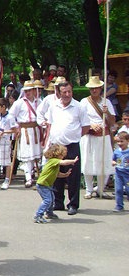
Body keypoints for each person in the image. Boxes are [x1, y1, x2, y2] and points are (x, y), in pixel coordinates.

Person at [46, 81, 90, 215]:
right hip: (56, 147)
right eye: (64, 92)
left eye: (69, 91)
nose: (67, 94)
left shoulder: (79, 107)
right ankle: (58, 202)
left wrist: (74, 136)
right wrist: (47, 143)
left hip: (71, 146)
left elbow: (86, 127)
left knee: (73, 176)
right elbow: (49, 125)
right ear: (58, 93)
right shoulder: (53, 106)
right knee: (57, 175)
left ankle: (73, 204)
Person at [79, 76, 116, 199]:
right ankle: (89, 189)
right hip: (89, 136)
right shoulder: (84, 102)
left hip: (103, 137)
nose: (94, 91)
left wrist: (107, 113)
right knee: (87, 162)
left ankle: (100, 189)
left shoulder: (107, 102)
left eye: (96, 88)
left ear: (100, 88)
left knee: (104, 162)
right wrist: (91, 125)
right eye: (91, 88)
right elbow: (79, 118)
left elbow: (112, 121)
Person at [8, 80, 43, 187]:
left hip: (36, 130)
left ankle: (34, 175)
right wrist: (15, 127)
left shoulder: (39, 102)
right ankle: (28, 178)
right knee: (27, 155)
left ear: (33, 91)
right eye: (26, 91)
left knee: (35, 155)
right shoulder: (19, 103)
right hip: (25, 131)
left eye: (30, 90)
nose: (28, 93)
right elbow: (10, 115)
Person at [34, 144, 78, 223]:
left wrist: (65, 175)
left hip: (47, 185)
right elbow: (64, 162)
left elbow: (57, 174)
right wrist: (72, 161)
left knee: (52, 199)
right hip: (42, 185)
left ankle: (49, 213)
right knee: (47, 200)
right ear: (57, 154)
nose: (63, 157)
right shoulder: (53, 161)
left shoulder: (55, 164)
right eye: (62, 155)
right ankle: (38, 215)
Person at [112, 131, 129, 212]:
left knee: (128, 189)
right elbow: (113, 160)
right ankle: (119, 206)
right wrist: (113, 162)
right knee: (118, 190)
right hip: (118, 174)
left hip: (127, 175)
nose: (119, 143)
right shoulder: (116, 151)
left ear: (127, 141)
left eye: (122, 141)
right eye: (118, 141)